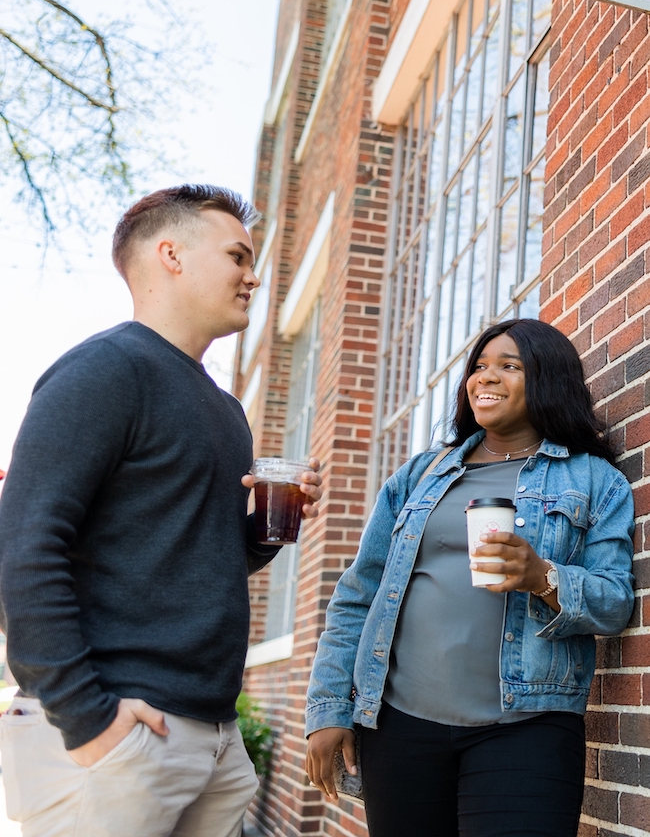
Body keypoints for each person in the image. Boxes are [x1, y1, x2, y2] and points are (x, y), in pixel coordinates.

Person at [0, 184, 322, 837]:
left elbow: (201, 557)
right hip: (119, 733)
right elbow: (22, 547)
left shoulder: (227, 411)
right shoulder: (104, 369)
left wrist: (264, 529)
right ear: (170, 254)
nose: (252, 276)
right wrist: (88, 721)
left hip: (214, 739)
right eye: (237, 256)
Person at [305, 318, 634, 837]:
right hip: (400, 727)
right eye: (478, 367)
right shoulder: (420, 475)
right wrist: (328, 711)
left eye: (508, 366)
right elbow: (358, 596)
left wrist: (543, 577)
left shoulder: (595, 480)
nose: (485, 377)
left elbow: (615, 602)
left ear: (548, 379)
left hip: (527, 731)